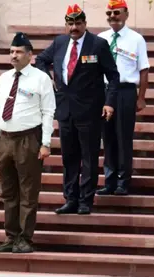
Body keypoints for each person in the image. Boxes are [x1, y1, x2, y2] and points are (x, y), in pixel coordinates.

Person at [35, 4, 120, 215]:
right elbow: (40, 60)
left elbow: (114, 76)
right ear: (66, 25)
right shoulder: (59, 42)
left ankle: (85, 200)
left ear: (85, 24)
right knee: (69, 157)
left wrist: (109, 102)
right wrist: (47, 79)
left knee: (89, 157)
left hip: (90, 111)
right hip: (64, 110)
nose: (74, 27)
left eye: (78, 23)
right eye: (70, 23)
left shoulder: (98, 44)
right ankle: (70, 198)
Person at [0, 32, 56, 254]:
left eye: (19, 52)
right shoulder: (4, 78)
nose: (14, 55)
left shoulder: (41, 78)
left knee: (28, 192)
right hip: (5, 140)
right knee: (8, 192)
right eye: (11, 51)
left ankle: (25, 239)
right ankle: (11, 237)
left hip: (28, 139)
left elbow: (48, 112)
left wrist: (45, 143)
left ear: (30, 55)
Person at [97, 0, 150, 196]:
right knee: (107, 137)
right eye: (109, 13)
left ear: (126, 14)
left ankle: (123, 181)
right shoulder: (101, 38)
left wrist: (141, 97)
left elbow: (144, 70)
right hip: (104, 92)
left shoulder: (136, 39)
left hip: (125, 92)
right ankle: (109, 181)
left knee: (123, 137)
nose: (113, 17)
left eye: (117, 13)